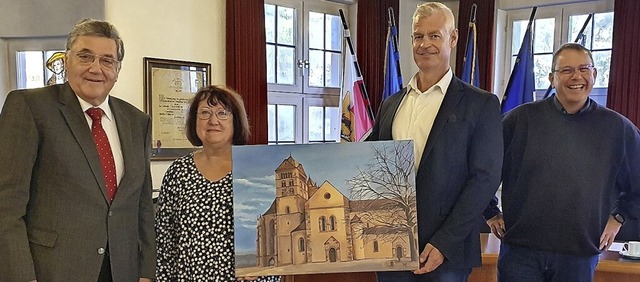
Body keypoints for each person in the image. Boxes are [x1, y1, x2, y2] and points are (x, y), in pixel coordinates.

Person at [0, 19, 155, 282]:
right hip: (52, 270)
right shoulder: (30, 107)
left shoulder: (137, 121)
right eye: (85, 56)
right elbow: (7, 206)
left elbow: (142, 205)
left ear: (117, 70)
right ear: (67, 61)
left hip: (122, 271)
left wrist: (146, 271)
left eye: (107, 60)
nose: (96, 68)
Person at [368, 2, 503, 281]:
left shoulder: (481, 104)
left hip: (447, 254)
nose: (424, 44)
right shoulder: (391, 105)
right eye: (418, 36)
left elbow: (485, 179)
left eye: (434, 35)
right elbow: (369, 163)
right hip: (391, 249)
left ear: (452, 38)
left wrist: (444, 242)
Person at [484, 43, 640, 281]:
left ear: (594, 75)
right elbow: (482, 167)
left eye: (584, 69)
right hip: (521, 254)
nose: (576, 76)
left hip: (579, 256)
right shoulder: (518, 121)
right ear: (551, 78)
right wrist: (490, 211)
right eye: (566, 70)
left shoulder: (618, 128)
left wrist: (618, 218)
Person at [154, 85, 279, 282]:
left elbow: (274, 237)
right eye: (205, 113)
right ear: (194, 120)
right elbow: (164, 243)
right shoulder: (178, 172)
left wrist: (262, 275)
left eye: (222, 113)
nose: (213, 121)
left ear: (236, 121)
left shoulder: (256, 170)